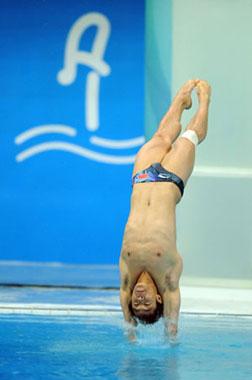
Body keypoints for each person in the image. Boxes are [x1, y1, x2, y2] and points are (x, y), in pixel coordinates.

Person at [119, 79, 211, 340]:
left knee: (161, 135)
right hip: (170, 181)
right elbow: (172, 323)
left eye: (136, 305)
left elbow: (125, 308)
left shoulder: (127, 275)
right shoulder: (168, 275)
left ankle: (181, 100)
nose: (139, 299)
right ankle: (205, 100)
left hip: (142, 178)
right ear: (159, 297)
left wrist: (131, 333)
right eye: (146, 303)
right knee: (189, 137)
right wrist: (171, 336)